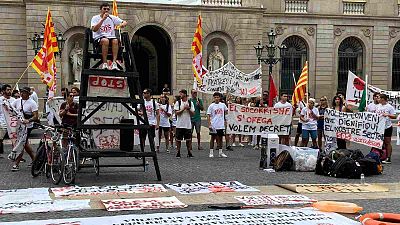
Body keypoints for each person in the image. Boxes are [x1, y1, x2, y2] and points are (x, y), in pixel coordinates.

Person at [91, 3, 127, 70]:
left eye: (108, 9)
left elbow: (124, 22)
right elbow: (94, 29)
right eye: (104, 9)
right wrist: (102, 20)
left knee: (115, 40)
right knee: (105, 40)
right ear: (101, 9)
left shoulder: (111, 17)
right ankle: (105, 63)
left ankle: (114, 63)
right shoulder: (95, 18)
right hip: (99, 38)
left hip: (111, 38)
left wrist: (123, 24)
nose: (106, 10)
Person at [10, 87, 38, 171]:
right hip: (19, 125)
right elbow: (11, 108)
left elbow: (36, 116)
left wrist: (28, 120)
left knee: (22, 143)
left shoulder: (32, 103)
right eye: (21, 92)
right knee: (24, 144)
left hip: (27, 126)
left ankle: (16, 163)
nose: (22, 94)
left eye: (24, 92)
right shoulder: (17, 101)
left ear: (28, 94)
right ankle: (34, 159)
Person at [174, 89, 195, 158]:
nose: (180, 95)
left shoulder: (190, 103)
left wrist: (188, 109)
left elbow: (193, 114)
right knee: (178, 139)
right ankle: (178, 152)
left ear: (185, 94)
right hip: (179, 124)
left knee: (188, 140)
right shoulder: (178, 102)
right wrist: (183, 109)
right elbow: (176, 113)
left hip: (187, 124)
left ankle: (189, 152)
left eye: (181, 94)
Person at [376, 94, 396, 164]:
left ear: (383, 99)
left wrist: (387, 115)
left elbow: (394, 116)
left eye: (378, 98)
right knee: (379, 142)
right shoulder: (378, 106)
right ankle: (380, 156)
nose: (377, 99)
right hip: (379, 127)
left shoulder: (389, 107)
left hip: (387, 127)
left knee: (387, 142)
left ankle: (388, 158)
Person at [207, 92, 228, 158]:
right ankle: (211, 152)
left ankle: (220, 152)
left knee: (220, 139)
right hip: (214, 125)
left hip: (221, 125)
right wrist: (209, 124)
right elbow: (208, 115)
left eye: (218, 97)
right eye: (215, 97)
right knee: (212, 138)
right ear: (214, 98)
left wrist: (226, 121)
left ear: (220, 98)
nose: (216, 98)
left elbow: (226, 112)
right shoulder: (211, 106)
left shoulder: (223, 105)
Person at [0, 84, 16, 157]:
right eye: (8, 90)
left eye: (10, 89)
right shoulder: (0, 99)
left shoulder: (14, 100)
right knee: (0, 138)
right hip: (2, 122)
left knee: (14, 139)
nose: (9, 91)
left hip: (12, 122)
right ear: (3, 91)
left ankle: (15, 154)